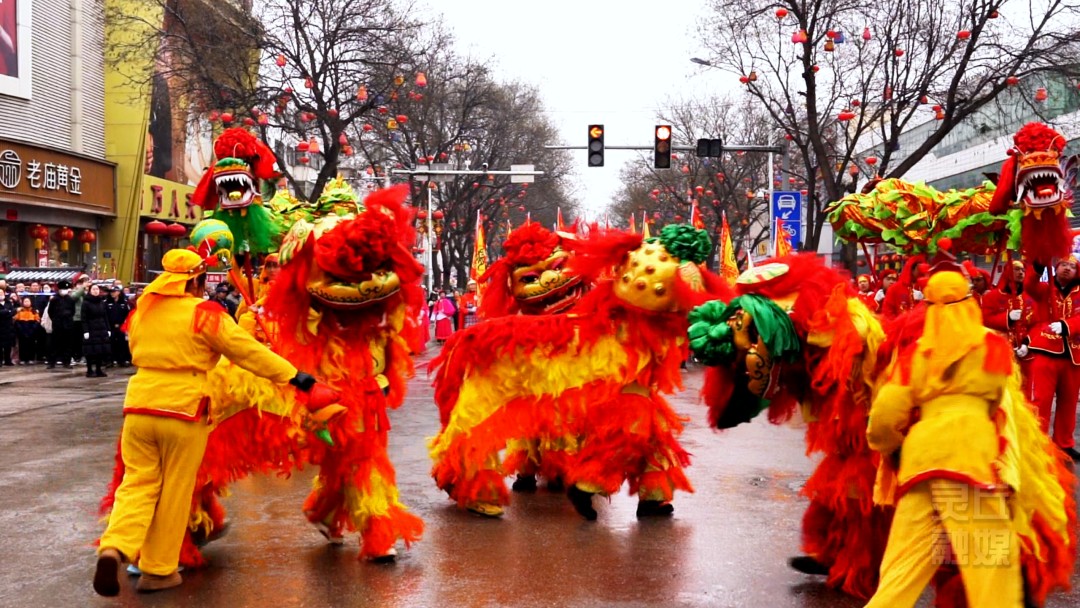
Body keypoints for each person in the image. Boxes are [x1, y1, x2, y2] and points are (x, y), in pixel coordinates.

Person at [94, 249, 318, 596]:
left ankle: (115, 546)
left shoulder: (143, 311)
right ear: (196, 281)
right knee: (175, 491)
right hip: (184, 409)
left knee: (136, 484)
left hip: (139, 408)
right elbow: (246, 351)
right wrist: (294, 376)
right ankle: (158, 570)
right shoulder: (204, 313)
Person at [865, 268, 1021, 607]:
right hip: (969, 460)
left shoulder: (917, 353)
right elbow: (999, 402)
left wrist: (891, 447)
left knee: (903, 564)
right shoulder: (992, 346)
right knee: (988, 563)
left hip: (920, 463)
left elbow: (885, 413)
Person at [1023, 256, 1080, 460]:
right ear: (1056, 267)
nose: (1067, 268)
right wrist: (1039, 264)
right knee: (1041, 401)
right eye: (1064, 264)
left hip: (1073, 355)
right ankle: (1037, 443)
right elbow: (1029, 285)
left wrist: (1067, 326)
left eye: (1072, 266)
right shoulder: (1045, 289)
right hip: (1045, 352)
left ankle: (1064, 443)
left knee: (1069, 403)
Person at [81, 284, 112, 378]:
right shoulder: (86, 302)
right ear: (90, 291)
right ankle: (89, 370)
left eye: (97, 289)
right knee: (90, 351)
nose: (96, 291)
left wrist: (108, 328)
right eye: (93, 289)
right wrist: (85, 331)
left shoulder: (101, 302)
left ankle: (99, 370)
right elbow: (84, 318)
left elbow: (105, 316)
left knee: (100, 350)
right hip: (91, 329)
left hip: (101, 328)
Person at [46, 280, 78, 369]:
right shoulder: (54, 299)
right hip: (57, 325)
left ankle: (66, 362)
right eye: (63, 289)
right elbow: (50, 312)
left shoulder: (70, 299)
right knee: (55, 344)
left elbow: (73, 311)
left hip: (68, 324)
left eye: (66, 289)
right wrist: (56, 320)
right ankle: (52, 362)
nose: (64, 290)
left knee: (68, 344)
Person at [106, 287, 132, 366]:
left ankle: (122, 360)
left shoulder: (124, 303)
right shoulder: (107, 302)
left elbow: (128, 315)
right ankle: (111, 360)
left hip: (121, 326)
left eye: (114, 292)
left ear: (118, 292)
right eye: (111, 292)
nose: (112, 293)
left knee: (122, 343)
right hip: (111, 326)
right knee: (111, 343)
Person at [13, 298, 39, 364]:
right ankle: (23, 359)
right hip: (22, 330)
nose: (27, 303)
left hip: (31, 330)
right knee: (22, 345)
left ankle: (31, 358)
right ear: (23, 302)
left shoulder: (34, 311)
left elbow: (37, 321)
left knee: (31, 345)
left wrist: (33, 329)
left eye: (28, 301)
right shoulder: (20, 311)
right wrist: (21, 330)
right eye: (25, 301)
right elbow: (16, 321)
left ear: (30, 302)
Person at [0, 291, 13, 366]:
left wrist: (6, 312)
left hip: (8, 327)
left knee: (8, 345)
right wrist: (7, 311)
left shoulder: (8, 303)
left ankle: (8, 360)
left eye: (1, 293)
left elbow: (12, 312)